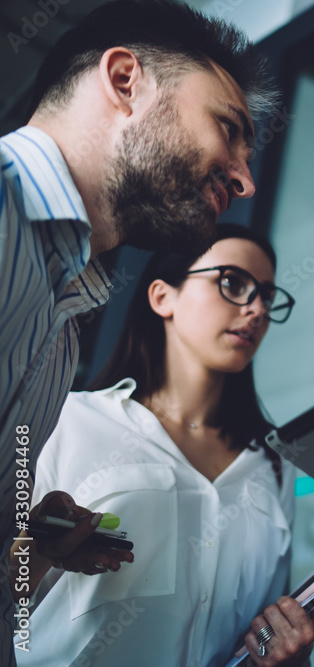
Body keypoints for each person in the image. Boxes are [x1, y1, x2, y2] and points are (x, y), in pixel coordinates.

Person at [0, 0, 275, 661]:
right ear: (125, 79)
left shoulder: (60, 332)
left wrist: (31, 553)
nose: (242, 178)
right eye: (226, 127)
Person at [20, 224, 314, 666]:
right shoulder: (69, 419)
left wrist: (285, 652)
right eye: (232, 282)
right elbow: (8, 590)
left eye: (266, 296)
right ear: (162, 296)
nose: (255, 309)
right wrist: (39, 545)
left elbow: (258, 644)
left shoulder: (274, 468)